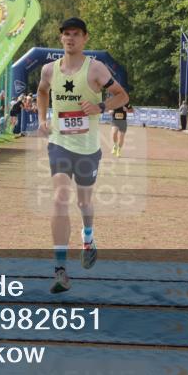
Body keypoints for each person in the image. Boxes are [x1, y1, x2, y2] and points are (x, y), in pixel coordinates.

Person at [37, 18, 128, 294]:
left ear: (85, 38)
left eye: (76, 34)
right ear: (61, 38)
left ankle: (88, 238)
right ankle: (60, 270)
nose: (70, 39)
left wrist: (100, 106)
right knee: (60, 197)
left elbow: (121, 96)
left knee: (84, 201)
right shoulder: (49, 70)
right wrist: (42, 118)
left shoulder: (95, 69)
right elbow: (41, 91)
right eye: (66, 34)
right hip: (59, 143)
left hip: (88, 148)